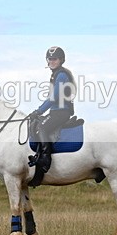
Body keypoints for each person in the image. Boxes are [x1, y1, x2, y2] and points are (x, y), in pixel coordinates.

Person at [29, 46, 76, 175]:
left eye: (54, 59)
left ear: (61, 60)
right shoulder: (56, 74)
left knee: (42, 128)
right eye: (49, 59)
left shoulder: (61, 75)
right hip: (57, 112)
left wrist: (38, 111)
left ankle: (45, 159)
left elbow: (53, 98)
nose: (51, 62)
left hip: (61, 112)